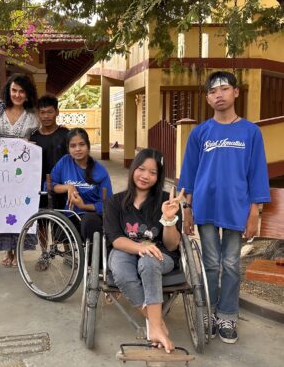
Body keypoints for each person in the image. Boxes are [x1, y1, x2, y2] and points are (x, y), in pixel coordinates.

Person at [178, 71, 270, 344]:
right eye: (213, 91)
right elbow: (189, 173)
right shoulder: (200, 133)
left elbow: (257, 174)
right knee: (210, 262)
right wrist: (187, 208)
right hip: (205, 206)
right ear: (207, 98)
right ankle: (207, 310)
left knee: (230, 264)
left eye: (224, 89)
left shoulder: (251, 132)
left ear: (236, 92)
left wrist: (254, 211)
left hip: (236, 207)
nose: (219, 94)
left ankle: (227, 314)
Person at [104, 148, 183, 353]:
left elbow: (173, 245)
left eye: (153, 172)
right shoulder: (116, 202)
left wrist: (168, 219)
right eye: (141, 169)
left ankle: (155, 326)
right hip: (126, 250)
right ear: (133, 169)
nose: (145, 176)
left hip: (161, 256)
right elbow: (116, 239)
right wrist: (141, 247)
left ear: (159, 177)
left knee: (148, 261)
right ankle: (157, 325)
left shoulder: (168, 202)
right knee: (120, 270)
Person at [0, 73, 40, 267]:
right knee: (4, 209)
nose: (17, 95)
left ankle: (19, 252)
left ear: (27, 94)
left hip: (23, 172)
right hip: (0, 171)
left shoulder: (33, 113)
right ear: (9, 91)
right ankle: (8, 251)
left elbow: (39, 139)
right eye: (14, 90)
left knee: (21, 209)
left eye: (21, 91)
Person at [51, 128, 113, 245]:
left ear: (88, 146)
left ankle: (92, 260)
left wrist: (83, 205)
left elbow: (107, 204)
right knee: (60, 231)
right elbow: (51, 185)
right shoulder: (65, 162)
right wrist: (68, 187)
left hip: (93, 215)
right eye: (73, 146)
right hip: (71, 214)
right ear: (68, 149)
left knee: (89, 223)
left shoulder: (100, 171)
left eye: (81, 144)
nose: (77, 149)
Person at [30, 93, 69, 209]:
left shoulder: (66, 134)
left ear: (57, 112)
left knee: (61, 221)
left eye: (49, 112)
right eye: (42, 112)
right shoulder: (33, 138)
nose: (46, 116)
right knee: (42, 220)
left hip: (62, 187)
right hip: (40, 188)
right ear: (38, 114)